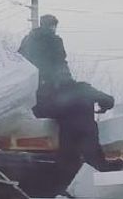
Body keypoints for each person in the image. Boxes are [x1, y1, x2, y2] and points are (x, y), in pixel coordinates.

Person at [18, 14, 117, 173]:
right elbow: (64, 78)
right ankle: (92, 166)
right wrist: (100, 97)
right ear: (53, 27)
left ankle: (74, 165)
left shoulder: (26, 43)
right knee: (80, 106)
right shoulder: (52, 42)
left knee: (75, 107)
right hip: (44, 99)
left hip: (38, 99)